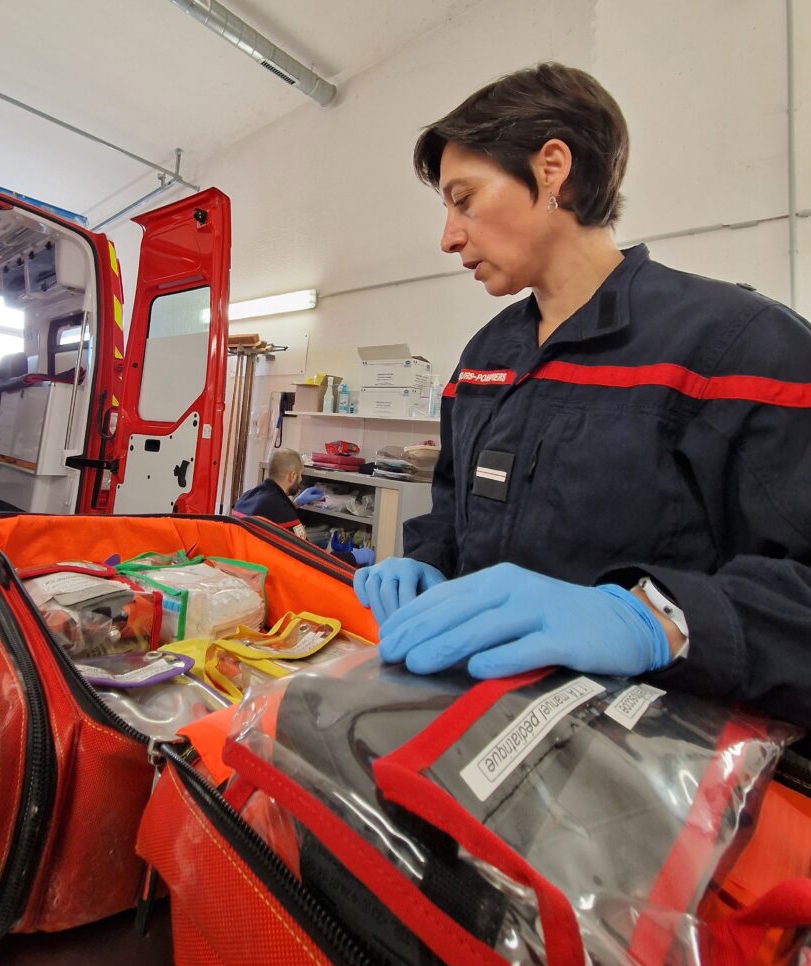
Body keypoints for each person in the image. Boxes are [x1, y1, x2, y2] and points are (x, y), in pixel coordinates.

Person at [353, 62, 811, 726]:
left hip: (653, 772)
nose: (448, 237)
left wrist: (658, 619)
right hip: (477, 730)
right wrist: (423, 563)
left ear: (551, 170)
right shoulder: (484, 361)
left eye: (465, 199)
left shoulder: (741, 347)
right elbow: (453, 516)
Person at [234, 449, 375, 565]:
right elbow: (312, 560)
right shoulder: (282, 511)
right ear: (292, 476)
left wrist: (295, 504)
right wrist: (352, 557)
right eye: (301, 476)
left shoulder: (246, 497)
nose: (301, 480)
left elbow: (271, 518)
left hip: (242, 568)